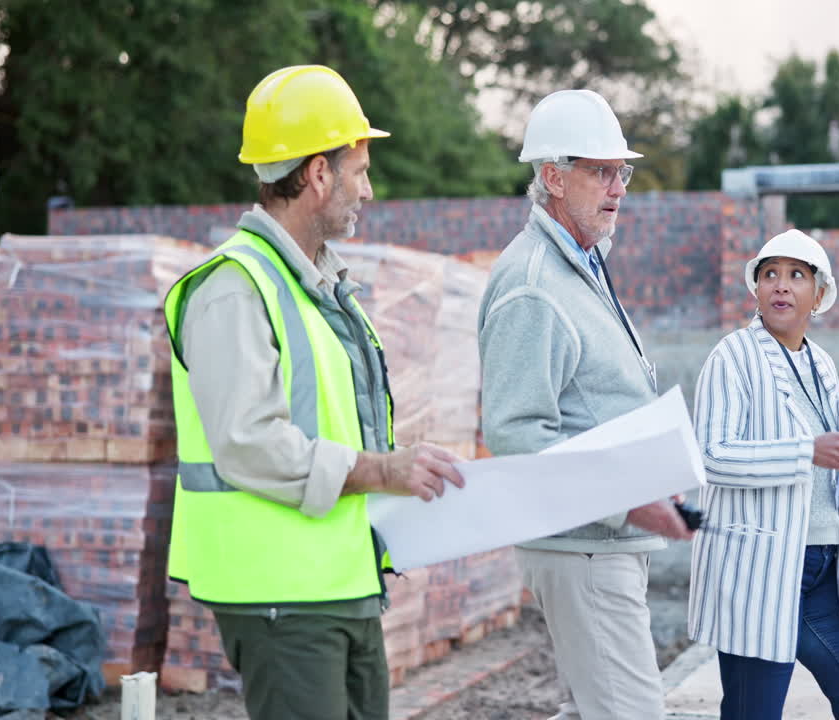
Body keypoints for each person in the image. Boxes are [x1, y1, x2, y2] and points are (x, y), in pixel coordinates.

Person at [163, 65, 465, 720]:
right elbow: (249, 444)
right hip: (282, 597)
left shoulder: (317, 287)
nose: (370, 189)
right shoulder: (233, 289)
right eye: (359, 171)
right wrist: (385, 469)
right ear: (319, 174)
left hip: (341, 585)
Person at [477, 89, 695, 720]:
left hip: (597, 543)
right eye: (600, 171)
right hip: (583, 549)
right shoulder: (533, 287)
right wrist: (630, 499)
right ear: (552, 176)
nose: (618, 187)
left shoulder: (579, 265)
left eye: (620, 171)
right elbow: (518, 436)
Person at [688, 229, 839, 720]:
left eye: (796, 275)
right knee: (753, 712)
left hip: (822, 567)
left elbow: (823, 467)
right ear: (756, 290)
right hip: (759, 568)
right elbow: (712, 457)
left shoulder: (821, 364)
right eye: (770, 275)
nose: (781, 285)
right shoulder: (731, 357)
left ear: (819, 295)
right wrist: (808, 451)